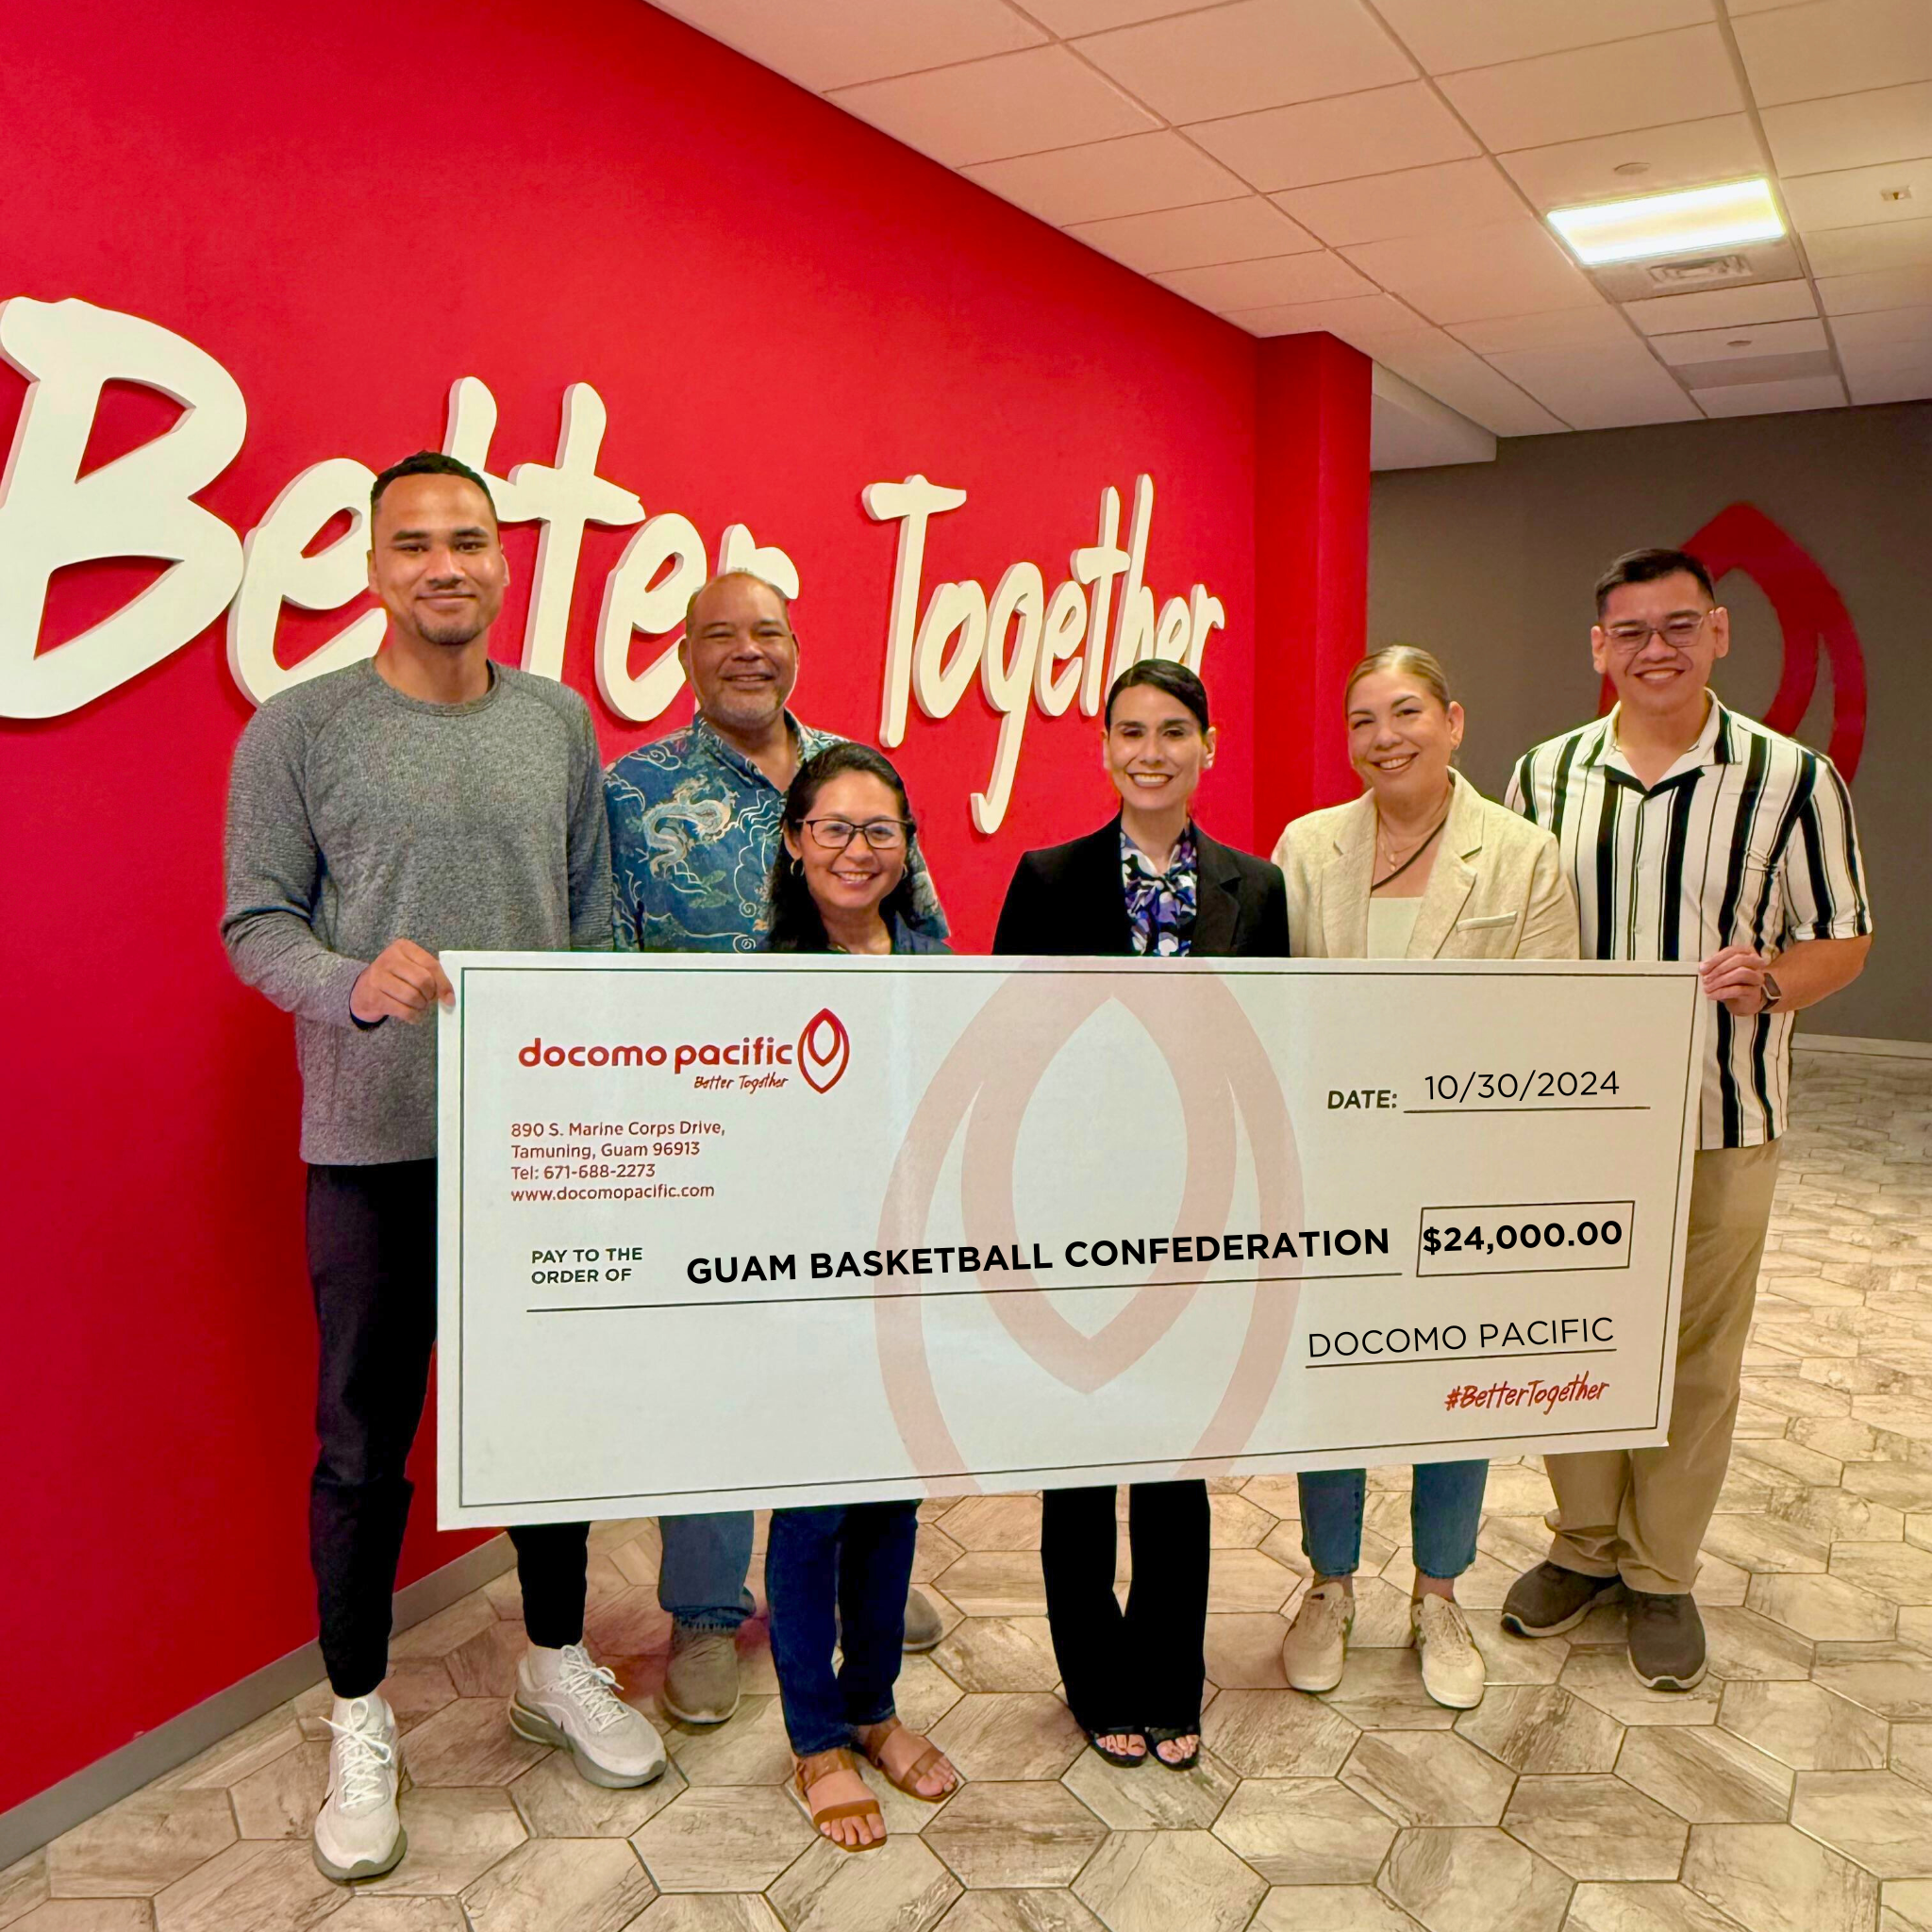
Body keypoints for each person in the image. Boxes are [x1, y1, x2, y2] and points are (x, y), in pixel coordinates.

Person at [222, 452, 665, 1885]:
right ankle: (361, 1713)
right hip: (372, 1147)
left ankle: (551, 1659)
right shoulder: (300, 731)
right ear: (370, 567)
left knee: (551, 1422)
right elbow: (253, 924)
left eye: (468, 540)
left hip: (542, 1151)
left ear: (503, 560)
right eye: (413, 544)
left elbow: (596, 919)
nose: (444, 566)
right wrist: (353, 984)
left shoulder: (555, 723)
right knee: (363, 1447)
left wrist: (603, 1058)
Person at [1500, 547, 1872, 1691]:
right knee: (1573, 1334)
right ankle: (1583, 1543)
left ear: (1716, 633)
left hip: (1722, 1110)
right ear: (1596, 648)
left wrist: (1769, 980)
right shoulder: (1542, 774)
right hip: (1570, 1127)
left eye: (1674, 627)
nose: (1651, 649)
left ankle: (1660, 1569)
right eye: (1627, 631)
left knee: (1692, 1354)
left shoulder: (1790, 777)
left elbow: (1842, 939)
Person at [604, 570, 946, 1726]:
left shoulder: (856, 767)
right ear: (686, 654)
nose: (746, 651)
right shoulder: (634, 789)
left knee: (865, 1362)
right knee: (714, 1383)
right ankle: (707, 1609)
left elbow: (927, 937)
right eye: (720, 634)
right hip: (709, 1149)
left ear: (795, 645)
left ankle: (862, 1576)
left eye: (767, 632)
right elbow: (605, 963)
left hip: (862, 1146)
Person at [993, 658, 1291, 1770]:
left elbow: (1269, 1055)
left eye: (1173, 729)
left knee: (1171, 1457)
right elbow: (1008, 1049)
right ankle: (1094, 1680)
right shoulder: (1047, 875)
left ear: (1206, 744)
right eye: (1129, 730)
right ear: (1103, 746)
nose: (1150, 750)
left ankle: (1169, 1680)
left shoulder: (1254, 889)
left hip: (1197, 1206)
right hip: (1071, 1209)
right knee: (1078, 1459)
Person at [1270, 645, 1579, 1711]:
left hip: (1464, 1170)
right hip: (1335, 1167)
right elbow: (1280, 1015)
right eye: (1361, 719)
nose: (1384, 735)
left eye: (1404, 712)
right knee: (1336, 1380)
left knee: (1451, 1383)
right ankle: (1328, 1582)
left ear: (1451, 719)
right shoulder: (1307, 848)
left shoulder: (1521, 854)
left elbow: (1544, 1020)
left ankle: (1437, 1590)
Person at [760, 741, 960, 1850]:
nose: (855, 849)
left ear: (904, 846)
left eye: (879, 830)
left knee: (891, 1505)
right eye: (831, 827)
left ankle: (874, 1705)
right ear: (793, 842)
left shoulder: (935, 963)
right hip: (801, 1288)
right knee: (812, 1514)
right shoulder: (754, 978)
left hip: (912, 1278)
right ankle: (813, 1737)